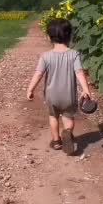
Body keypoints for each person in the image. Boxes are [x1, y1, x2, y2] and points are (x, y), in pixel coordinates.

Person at [26, 18, 94, 155]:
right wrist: (86, 90)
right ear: (70, 35)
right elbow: (79, 72)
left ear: (49, 37)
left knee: (53, 116)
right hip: (68, 96)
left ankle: (56, 141)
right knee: (68, 117)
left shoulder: (45, 56)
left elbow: (38, 74)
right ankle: (68, 132)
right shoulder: (74, 55)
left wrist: (30, 89)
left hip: (52, 96)